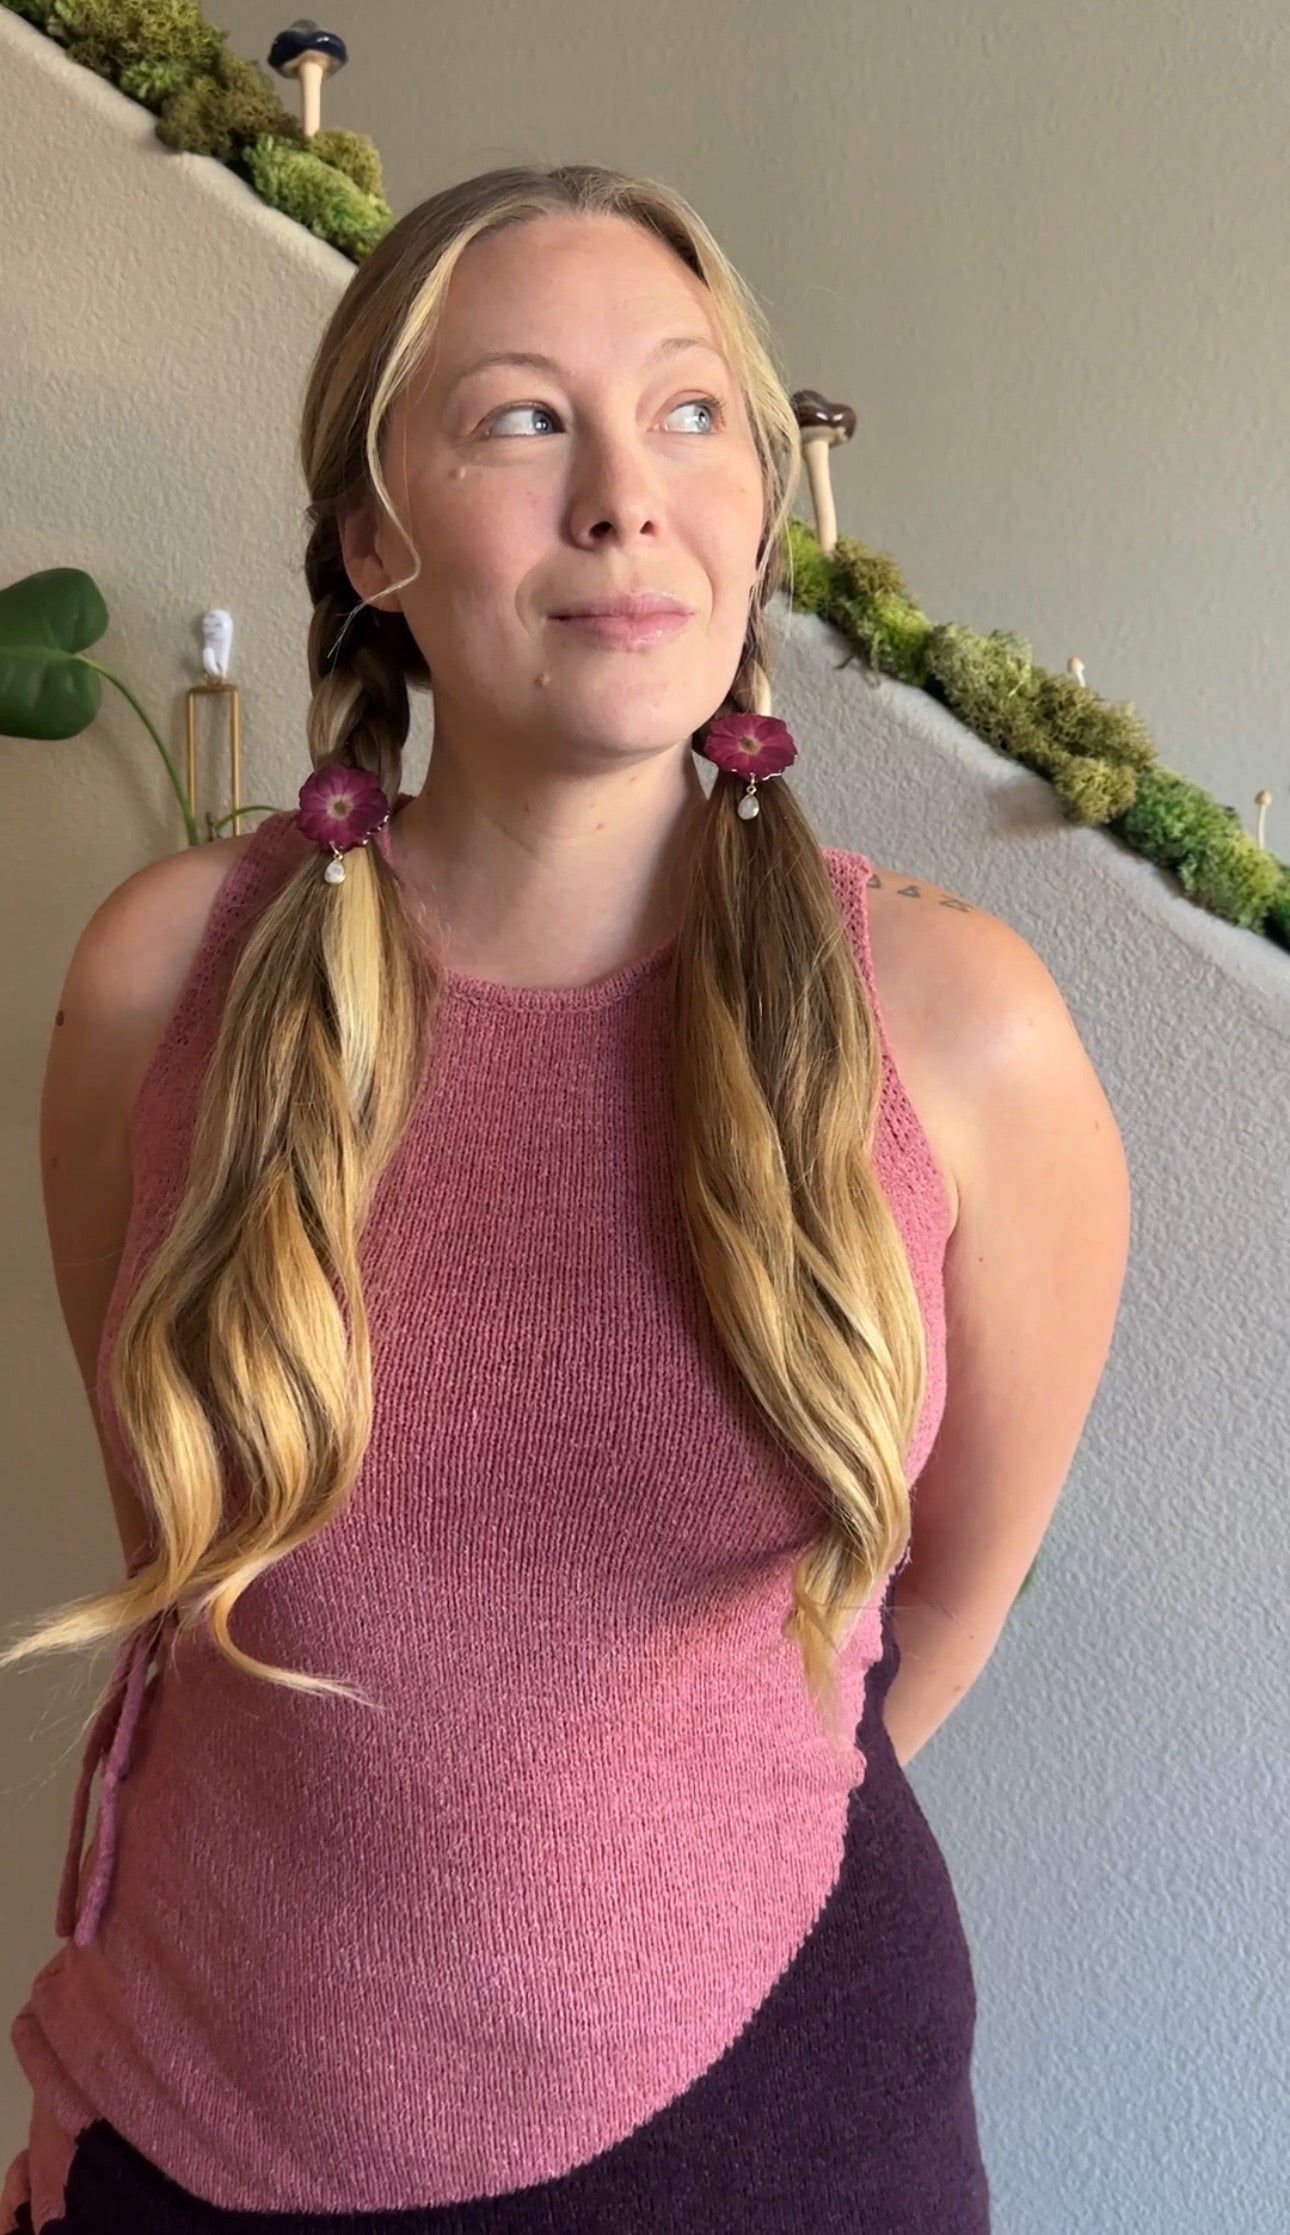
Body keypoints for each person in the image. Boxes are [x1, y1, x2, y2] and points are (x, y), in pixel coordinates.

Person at [2, 162, 1130, 2231]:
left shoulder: (963, 1030)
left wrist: (633, 1875)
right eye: (523, 419)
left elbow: (932, 1616)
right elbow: (189, 1545)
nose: (625, 497)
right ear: (373, 536)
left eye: (690, 413)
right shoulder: (166, 980)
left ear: (759, 510)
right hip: (196, 2118)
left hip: (774, 2127)